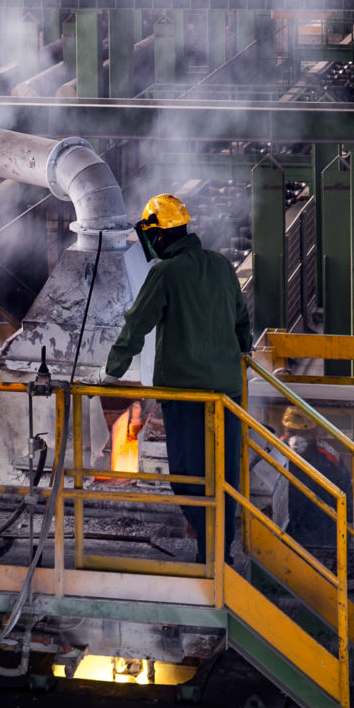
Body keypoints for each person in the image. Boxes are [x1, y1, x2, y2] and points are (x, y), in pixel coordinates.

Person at [102, 194, 253, 565]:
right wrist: (241, 356)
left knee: (188, 477)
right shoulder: (220, 265)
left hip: (188, 395)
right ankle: (220, 552)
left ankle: (210, 553)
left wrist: (111, 372)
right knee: (223, 475)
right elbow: (241, 321)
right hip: (228, 392)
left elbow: (138, 322)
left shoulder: (165, 273)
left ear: (159, 234)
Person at [278, 406, 350, 557]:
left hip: (319, 529)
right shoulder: (274, 450)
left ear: (314, 432)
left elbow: (345, 489)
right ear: (284, 429)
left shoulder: (328, 457)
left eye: (303, 433)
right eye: (292, 432)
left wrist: (348, 524)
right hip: (283, 524)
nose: (297, 438)